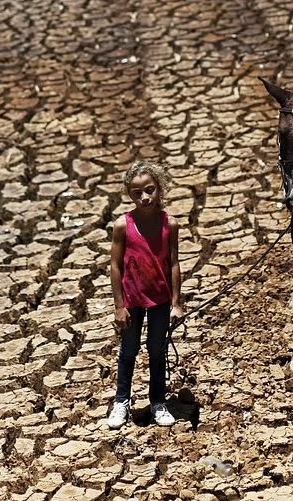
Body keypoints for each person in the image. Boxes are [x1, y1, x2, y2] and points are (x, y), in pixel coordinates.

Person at [106, 161, 184, 428]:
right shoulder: (122, 225)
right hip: (132, 300)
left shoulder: (169, 224)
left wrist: (176, 302)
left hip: (160, 300)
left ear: (160, 189)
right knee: (129, 350)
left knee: (157, 350)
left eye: (150, 190)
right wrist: (119, 306)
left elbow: (174, 263)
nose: (145, 197)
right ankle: (121, 401)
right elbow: (115, 266)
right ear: (130, 195)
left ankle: (158, 402)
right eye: (137, 193)